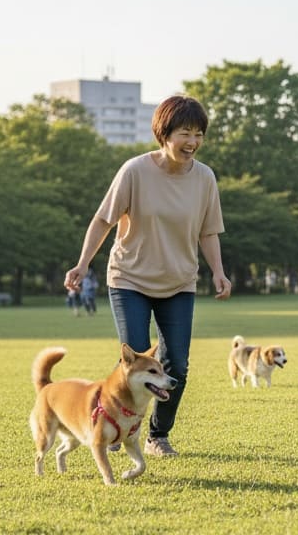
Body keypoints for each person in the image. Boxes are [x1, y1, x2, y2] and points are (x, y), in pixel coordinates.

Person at [64, 94, 231, 458]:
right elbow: (103, 220)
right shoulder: (135, 171)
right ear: (164, 133)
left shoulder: (204, 178)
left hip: (179, 282)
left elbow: (208, 231)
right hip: (130, 280)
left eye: (199, 133)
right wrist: (82, 264)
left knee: (178, 365)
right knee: (136, 362)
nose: (192, 142)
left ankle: (158, 435)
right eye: (185, 132)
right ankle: (119, 429)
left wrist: (218, 271)